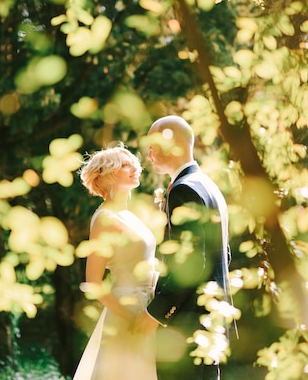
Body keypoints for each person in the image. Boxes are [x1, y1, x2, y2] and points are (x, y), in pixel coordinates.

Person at [132, 115, 232, 380]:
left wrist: (157, 313)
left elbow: (191, 261)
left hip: (188, 324)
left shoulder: (184, 190)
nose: (149, 156)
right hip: (211, 318)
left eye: (152, 147)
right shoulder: (208, 186)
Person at [73, 144, 159, 380]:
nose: (135, 168)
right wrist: (131, 316)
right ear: (108, 174)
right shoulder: (105, 218)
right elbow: (93, 283)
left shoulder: (129, 215)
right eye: (125, 165)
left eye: (134, 164)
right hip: (127, 313)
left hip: (148, 308)